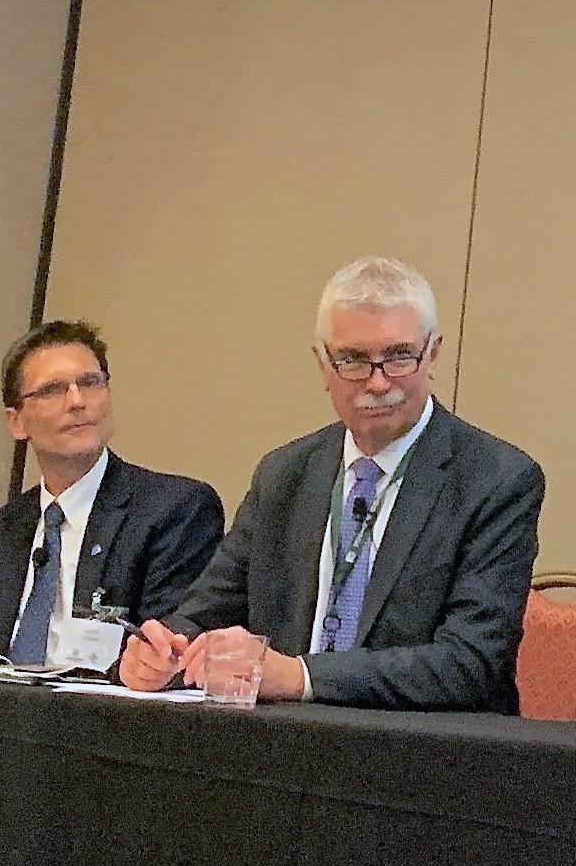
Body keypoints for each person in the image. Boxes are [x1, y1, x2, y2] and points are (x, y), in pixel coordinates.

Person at [118, 257, 542, 709]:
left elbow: (470, 665)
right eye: (354, 360)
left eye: (399, 357)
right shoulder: (284, 474)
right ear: (323, 364)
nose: (378, 383)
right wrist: (164, 650)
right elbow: (205, 612)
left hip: (425, 754)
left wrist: (299, 676)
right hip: (284, 748)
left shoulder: (496, 479)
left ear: (432, 354)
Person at [0, 319, 227, 666]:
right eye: (52, 390)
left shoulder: (176, 511)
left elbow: (167, 657)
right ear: (16, 422)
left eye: (90, 383)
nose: (77, 401)